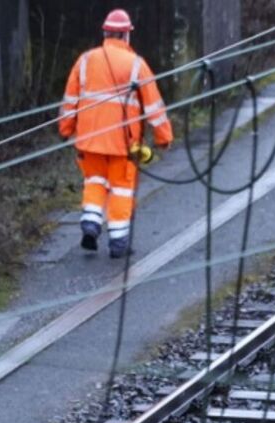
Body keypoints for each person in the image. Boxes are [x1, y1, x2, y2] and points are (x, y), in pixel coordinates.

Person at [59, 8, 173, 258]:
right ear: (127, 36)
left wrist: (65, 129)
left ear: (105, 33)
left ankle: (90, 224)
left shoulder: (86, 61)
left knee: (94, 182)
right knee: (121, 189)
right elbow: (154, 105)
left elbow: (70, 100)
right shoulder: (137, 65)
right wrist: (164, 137)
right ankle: (119, 243)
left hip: (88, 141)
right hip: (123, 144)